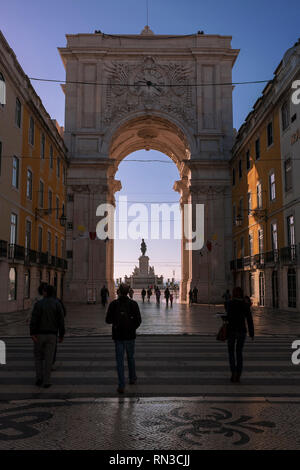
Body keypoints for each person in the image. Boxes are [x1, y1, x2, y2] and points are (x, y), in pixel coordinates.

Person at [106, 283, 142, 394]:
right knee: (130, 357)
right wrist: (131, 328)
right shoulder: (133, 304)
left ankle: (121, 385)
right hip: (130, 336)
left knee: (120, 361)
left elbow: (107, 320)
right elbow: (139, 320)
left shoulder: (113, 304)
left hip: (118, 336)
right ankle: (132, 378)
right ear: (128, 292)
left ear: (119, 292)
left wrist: (116, 323)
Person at [30, 284, 65, 388]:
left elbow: (34, 320)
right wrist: (61, 334)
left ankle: (39, 378)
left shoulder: (39, 304)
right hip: (52, 335)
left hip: (40, 335)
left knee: (38, 357)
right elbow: (61, 321)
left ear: (44, 292)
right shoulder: (57, 304)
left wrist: (32, 333)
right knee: (49, 359)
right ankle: (47, 381)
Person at [225, 287, 254, 383]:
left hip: (232, 330)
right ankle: (238, 374)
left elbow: (228, 316)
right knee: (239, 353)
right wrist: (251, 333)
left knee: (231, 352)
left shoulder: (230, 303)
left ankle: (233, 372)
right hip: (242, 331)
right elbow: (249, 319)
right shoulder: (245, 304)